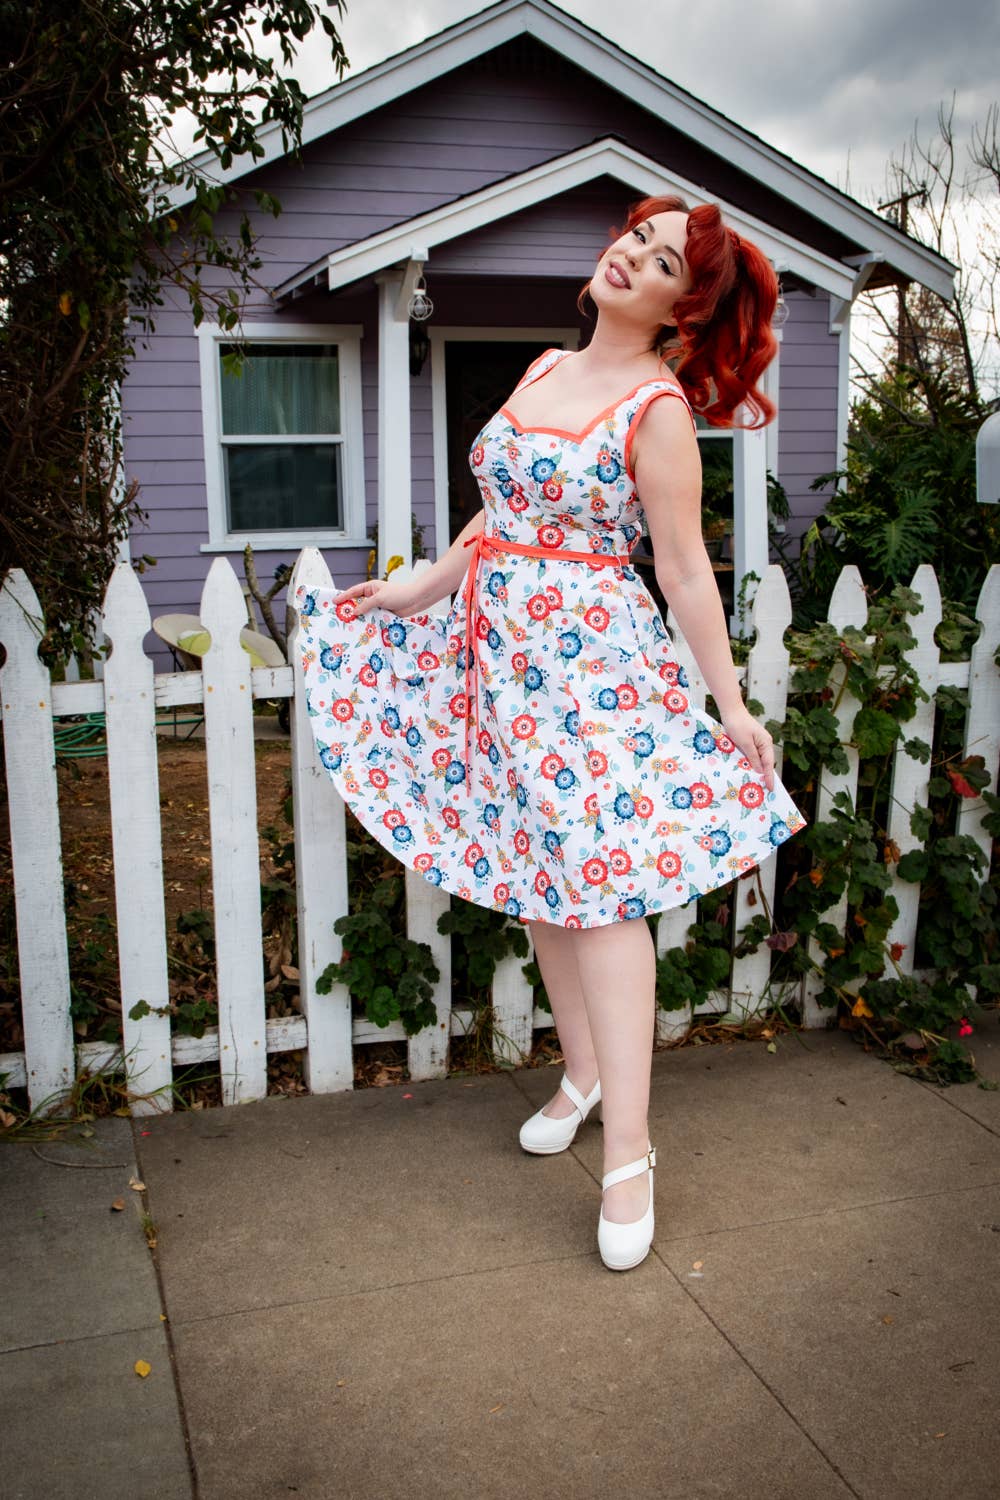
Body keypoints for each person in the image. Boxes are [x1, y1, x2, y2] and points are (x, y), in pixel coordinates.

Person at [296, 193, 808, 1272]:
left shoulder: (658, 410)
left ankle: (630, 1150)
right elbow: (500, 512)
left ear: (682, 309)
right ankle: (581, 1076)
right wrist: (422, 585)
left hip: (592, 678)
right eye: (637, 237)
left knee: (604, 894)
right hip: (503, 669)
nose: (632, 257)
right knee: (542, 881)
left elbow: (683, 571)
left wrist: (729, 704)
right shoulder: (539, 369)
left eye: (662, 262)